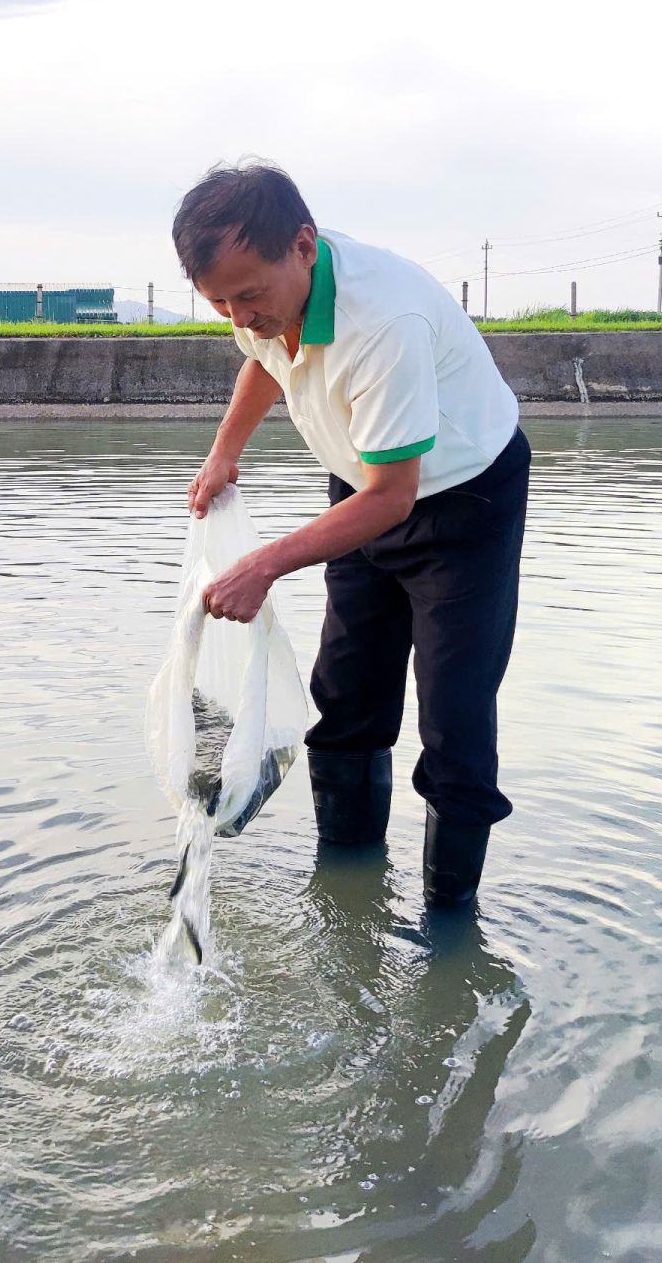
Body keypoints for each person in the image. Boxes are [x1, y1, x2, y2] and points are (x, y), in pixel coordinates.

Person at [174, 161, 531, 908]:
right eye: (218, 302)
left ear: (303, 246)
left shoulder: (383, 323)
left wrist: (265, 563)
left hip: (464, 502)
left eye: (248, 295)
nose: (239, 316)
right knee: (344, 701)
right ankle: (345, 893)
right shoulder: (273, 296)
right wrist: (224, 451)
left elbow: (393, 499)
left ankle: (449, 925)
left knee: (455, 723)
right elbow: (264, 363)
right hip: (364, 487)